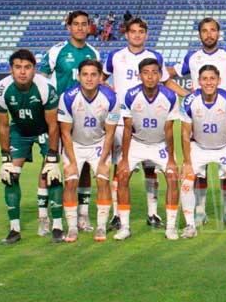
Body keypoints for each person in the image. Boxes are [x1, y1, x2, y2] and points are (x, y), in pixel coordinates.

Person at [165, 17, 226, 228]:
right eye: (205, 30)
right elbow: (167, 75)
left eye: (213, 30)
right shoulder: (192, 57)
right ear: (199, 34)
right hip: (199, 115)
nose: (209, 34)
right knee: (198, 171)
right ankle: (200, 210)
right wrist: (186, 94)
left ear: (218, 33)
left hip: (224, 114)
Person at [103, 17, 171, 231]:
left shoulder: (155, 57)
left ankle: (152, 213)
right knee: (120, 167)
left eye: (141, 32)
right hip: (122, 121)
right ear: (126, 34)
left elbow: (166, 82)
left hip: (150, 120)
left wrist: (186, 94)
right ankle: (116, 214)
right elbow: (101, 79)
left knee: (151, 169)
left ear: (146, 35)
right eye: (133, 31)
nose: (137, 35)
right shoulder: (115, 56)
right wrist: (112, 96)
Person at [0, 49, 63, 244]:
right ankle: (14, 229)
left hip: (44, 130)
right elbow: (3, 125)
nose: (22, 72)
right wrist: (5, 157)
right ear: (11, 69)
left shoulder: (46, 88)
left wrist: (52, 156)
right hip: (20, 131)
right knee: (10, 175)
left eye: (27, 67)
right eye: (18, 67)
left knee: (52, 174)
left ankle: (56, 226)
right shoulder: (1, 89)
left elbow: (53, 125)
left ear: (34, 69)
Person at [41, 10, 101, 232]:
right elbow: (42, 80)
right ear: (68, 27)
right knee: (49, 163)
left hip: (84, 119)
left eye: (84, 24)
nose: (80, 28)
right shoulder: (57, 51)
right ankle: (45, 216)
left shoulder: (93, 52)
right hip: (58, 118)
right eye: (76, 24)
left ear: (89, 27)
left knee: (83, 167)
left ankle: (82, 216)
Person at [114, 58, 181, 240]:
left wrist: (171, 159)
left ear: (160, 75)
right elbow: (127, 128)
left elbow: (169, 130)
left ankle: (171, 227)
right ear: (139, 75)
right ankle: (125, 227)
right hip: (137, 143)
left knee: (173, 177)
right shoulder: (130, 95)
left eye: (154, 72)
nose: (150, 77)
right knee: (122, 176)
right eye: (146, 73)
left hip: (160, 144)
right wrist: (124, 159)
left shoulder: (170, 96)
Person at [179, 65, 226, 240]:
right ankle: (190, 225)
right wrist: (187, 162)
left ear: (219, 81)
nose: (208, 82)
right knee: (186, 181)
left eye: (212, 78)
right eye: (205, 79)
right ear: (198, 81)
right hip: (199, 148)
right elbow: (185, 133)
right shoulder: (189, 101)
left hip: (224, 148)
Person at [57, 59, 118, 242]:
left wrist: (103, 161)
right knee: (70, 181)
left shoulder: (111, 98)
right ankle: (72, 228)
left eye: (93, 74)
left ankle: (101, 227)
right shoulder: (67, 97)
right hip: (74, 144)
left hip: (99, 143)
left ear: (100, 77)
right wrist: (72, 162)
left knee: (103, 180)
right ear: (78, 76)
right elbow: (65, 133)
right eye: (85, 74)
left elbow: (110, 133)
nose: (89, 78)